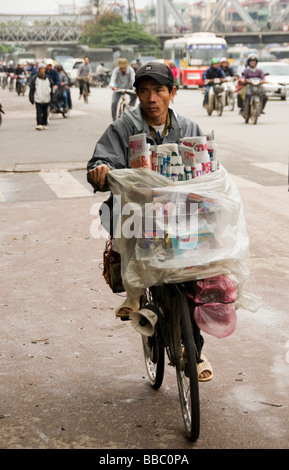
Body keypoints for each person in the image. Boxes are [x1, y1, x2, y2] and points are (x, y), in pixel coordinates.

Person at [87, 62, 213, 381]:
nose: (151, 98)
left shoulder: (189, 129)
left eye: (158, 90)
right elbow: (101, 159)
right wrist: (101, 170)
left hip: (180, 215)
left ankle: (194, 352)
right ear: (137, 94)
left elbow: (209, 168)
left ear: (172, 93)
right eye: (144, 91)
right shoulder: (123, 127)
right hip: (138, 212)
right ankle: (137, 295)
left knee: (193, 278)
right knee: (123, 228)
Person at [29, 63, 53, 130]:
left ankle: (44, 123)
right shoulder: (35, 79)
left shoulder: (48, 79)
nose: (42, 70)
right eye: (41, 69)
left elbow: (51, 88)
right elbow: (32, 89)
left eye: (43, 69)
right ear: (39, 70)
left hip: (46, 98)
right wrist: (31, 98)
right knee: (39, 112)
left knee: (45, 112)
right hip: (38, 98)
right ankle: (39, 124)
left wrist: (52, 98)